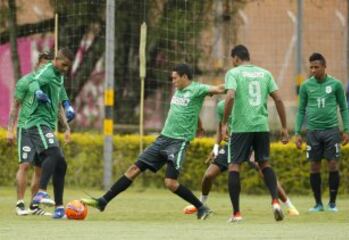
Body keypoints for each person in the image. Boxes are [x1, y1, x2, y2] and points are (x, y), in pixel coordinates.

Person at [81, 63, 224, 220]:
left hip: (179, 142)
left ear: (184, 77)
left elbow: (219, 89)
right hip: (163, 138)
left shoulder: (198, 89)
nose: (173, 81)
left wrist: (236, 81)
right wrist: (200, 124)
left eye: (175, 78)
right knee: (134, 168)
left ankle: (201, 207)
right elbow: (187, 110)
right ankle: (103, 201)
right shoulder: (178, 91)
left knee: (170, 183)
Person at [183, 100, 299, 219]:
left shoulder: (247, 102)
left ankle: (290, 206)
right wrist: (216, 147)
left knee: (264, 171)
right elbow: (221, 126)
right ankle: (201, 204)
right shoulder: (222, 106)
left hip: (248, 143)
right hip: (232, 145)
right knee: (208, 175)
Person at [221, 44, 289, 222]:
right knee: (264, 164)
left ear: (235, 58)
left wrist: (224, 123)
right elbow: (279, 99)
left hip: (242, 127)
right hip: (261, 126)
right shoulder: (265, 73)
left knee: (234, 166)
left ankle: (236, 213)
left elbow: (229, 96)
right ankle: (275, 201)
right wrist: (284, 127)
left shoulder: (233, 73)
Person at [7, 51, 72, 216]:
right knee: (26, 164)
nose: (46, 67)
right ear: (39, 64)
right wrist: (10, 130)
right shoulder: (29, 80)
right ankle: (24, 201)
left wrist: (67, 121)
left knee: (52, 165)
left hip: (46, 126)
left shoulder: (57, 76)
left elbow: (59, 100)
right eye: (44, 63)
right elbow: (16, 105)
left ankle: (49, 206)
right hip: (29, 125)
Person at [295, 53, 349, 212]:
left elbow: (344, 108)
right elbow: (300, 110)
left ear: (324, 67)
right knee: (314, 166)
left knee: (333, 164)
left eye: (316, 67)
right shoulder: (306, 86)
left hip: (332, 131)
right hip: (312, 132)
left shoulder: (336, 84)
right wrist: (297, 132)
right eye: (311, 67)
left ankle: (332, 203)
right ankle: (318, 204)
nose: (313, 70)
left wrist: (345, 129)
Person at [24, 48, 75, 218]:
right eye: (64, 65)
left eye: (68, 66)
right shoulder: (46, 70)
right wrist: (38, 91)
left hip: (47, 124)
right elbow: (33, 82)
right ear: (56, 59)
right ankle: (41, 192)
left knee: (61, 163)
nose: (66, 69)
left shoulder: (59, 75)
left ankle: (59, 208)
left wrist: (68, 105)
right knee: (53, 153)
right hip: (37, 122)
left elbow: (61, 91)